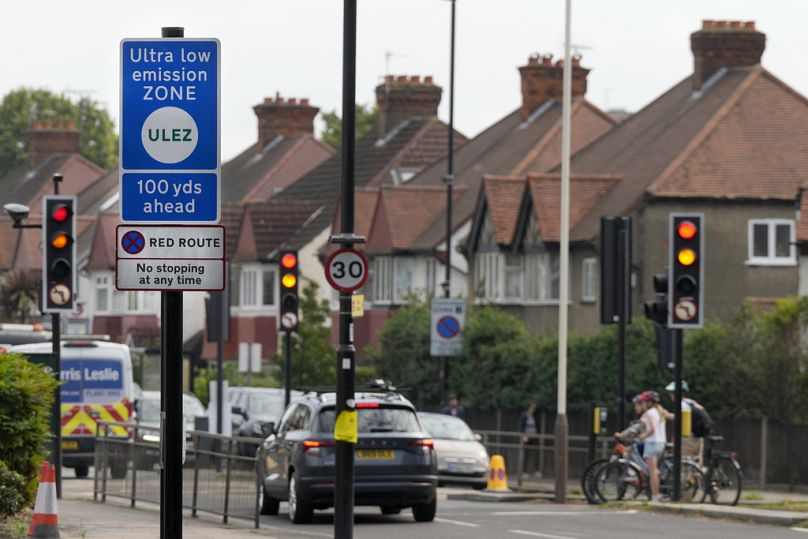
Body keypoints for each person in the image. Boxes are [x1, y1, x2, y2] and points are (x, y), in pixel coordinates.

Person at [665, 381, 713, 463]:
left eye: (671, 393)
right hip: (698, 436)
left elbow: (678, 418)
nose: (670, 395)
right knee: (697, 463)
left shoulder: (681, 404)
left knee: (684, 463)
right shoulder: (691, 402)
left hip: (688, 437)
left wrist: (666, 414)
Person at [636, 391, 666, 502]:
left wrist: (642, 436)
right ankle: (656, 494)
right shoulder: (660, 412)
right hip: (661, 443)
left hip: (652, 443)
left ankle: (655, 496)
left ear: (649, 402)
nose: (642, 404)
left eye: (643, 402)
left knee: (652, 472)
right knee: (655, 471)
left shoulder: (649, 413)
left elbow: (652, 429)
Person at [519, 402, 540, 477]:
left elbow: (538, 426)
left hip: (534, 436)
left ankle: (536, 470)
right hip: (526, 437)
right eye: (532, 408)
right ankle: (524, 471)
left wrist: (538, 436)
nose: (533, 410)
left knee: (536, 453)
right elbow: (521, 426)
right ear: (529, 407)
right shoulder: (524, 415)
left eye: (534, 408)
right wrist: (523, 435)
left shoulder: (535, 415)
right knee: (526, 454)